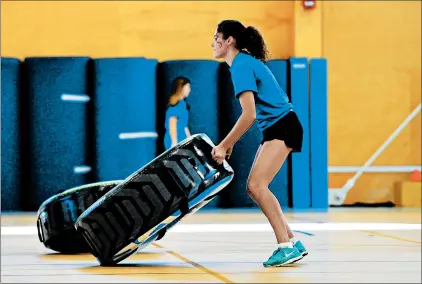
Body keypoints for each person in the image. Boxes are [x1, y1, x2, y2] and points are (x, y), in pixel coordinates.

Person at [210, 20, 308, 267]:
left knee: (256, 186)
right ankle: (293, 242)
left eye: (216, 37)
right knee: (255, 186)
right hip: (279, 126)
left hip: (282, 126)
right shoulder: (244, 61)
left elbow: (249, 114)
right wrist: (229, 143)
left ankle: (284, 246)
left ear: (229, 40)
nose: (212, 43)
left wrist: (223, 145)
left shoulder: (240, 65)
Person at [164, 76, 192, 150]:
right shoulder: (176, 105)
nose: (189, 90)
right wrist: (174, 142)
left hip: (182, 139)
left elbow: (185, 126)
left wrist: (190, 140)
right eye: (188, 87)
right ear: (181, 88)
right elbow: (172, 123)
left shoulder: (183, 104)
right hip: (175, 140)